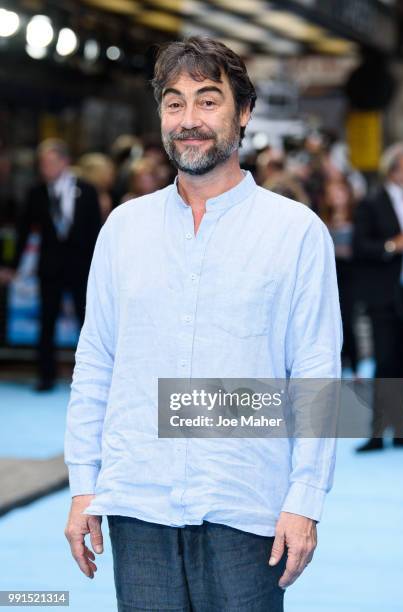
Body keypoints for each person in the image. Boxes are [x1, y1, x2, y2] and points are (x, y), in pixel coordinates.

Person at [64, 37, 342, 611]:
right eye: (174, 103)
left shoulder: (295, 232)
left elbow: (316, 371)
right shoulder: (123, 229)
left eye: (208, 101)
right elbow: (96, 361)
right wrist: (83, 483)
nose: (189, 120)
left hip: (247, 503)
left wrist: (306, 497)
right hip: (137, 504)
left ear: (243, 113)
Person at [0, 139, 101, 391]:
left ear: (65, 162)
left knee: (87, 322)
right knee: (47, 322)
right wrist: (11, 266)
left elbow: (96, 231)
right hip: (50, 268)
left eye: (51, 162)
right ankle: (46, 375)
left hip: (81, 268)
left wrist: (100, 267)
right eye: (42, 163)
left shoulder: (87, 190)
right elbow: (23, 232)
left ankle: (92, 377)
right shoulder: (36, 193)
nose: (45, 168)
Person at [353, 142, 403, 452]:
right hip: (384, 295)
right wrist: (392, 246)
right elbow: (362, 246)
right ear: (394, 169)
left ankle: (401, 429)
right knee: (385, 363)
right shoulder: (372, 202)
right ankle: (376, 432)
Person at [320, 176, 358, 375]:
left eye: (340, 192)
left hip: (351, 275)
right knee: (331, 320)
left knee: (349, 319)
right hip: (331, 273)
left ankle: (355, 364)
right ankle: (340, 363)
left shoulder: (357, 217)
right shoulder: (321, 220)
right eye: (332, 193)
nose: (336, 197)